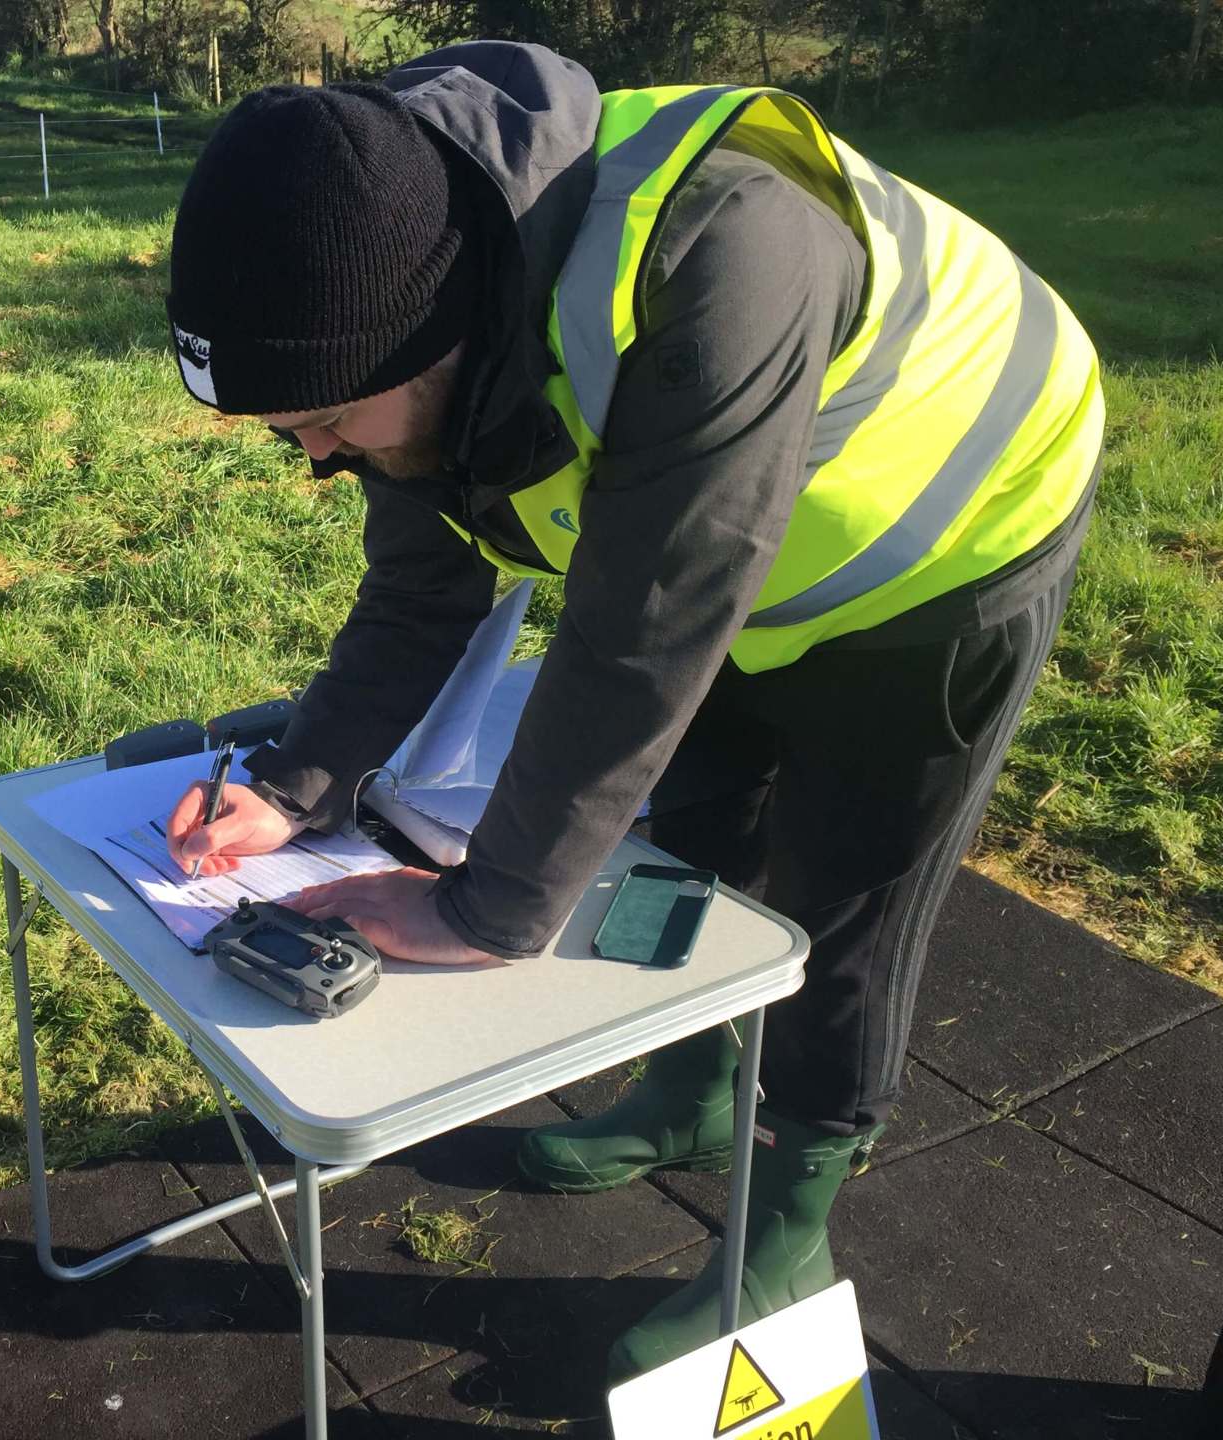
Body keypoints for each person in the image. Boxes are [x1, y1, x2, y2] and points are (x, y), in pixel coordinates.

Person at [159, 40, 1103, 1380]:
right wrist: (299, 783)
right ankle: (692, 1092)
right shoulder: (403, 270)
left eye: (320, 417)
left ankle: (781, 1237)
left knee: (840, 909)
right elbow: (426, 588)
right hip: (728, 549)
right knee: (700, 834)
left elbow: (640, 633)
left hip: (950, 541)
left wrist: (482, 911)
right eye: (281, 429)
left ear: (436, 334)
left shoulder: (723, 250)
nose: (311, 455)